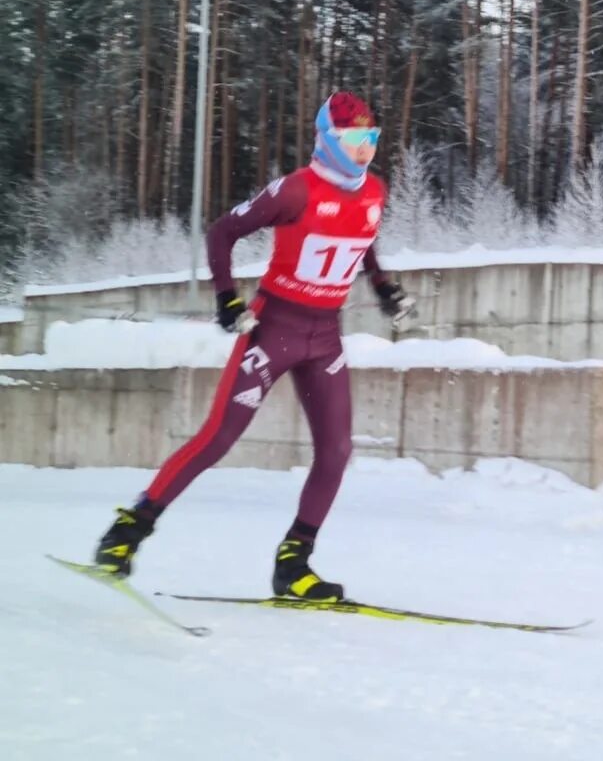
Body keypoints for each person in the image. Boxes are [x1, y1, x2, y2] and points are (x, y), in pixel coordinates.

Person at [92, 91, 413, 601]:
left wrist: (382, 287)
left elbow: (362, 236)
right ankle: (127, 532)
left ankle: (294, 565)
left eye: (371, 138)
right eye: (354, 139)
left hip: (324, 337)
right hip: (275, 329)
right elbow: (222, 232)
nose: (365, 149)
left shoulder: (375, 190)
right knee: (218, 437)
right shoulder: (294, 190)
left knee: (336, 451)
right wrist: (227, 299)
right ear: (328, 140)